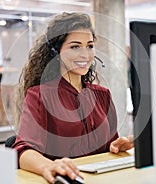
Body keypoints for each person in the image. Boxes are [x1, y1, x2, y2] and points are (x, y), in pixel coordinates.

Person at [11, 12, 134, 184]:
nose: (85, 54)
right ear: (56, 51)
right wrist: (49, 166)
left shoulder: (102, 95)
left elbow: (110, 146)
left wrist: (118, 146)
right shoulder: (39, 95)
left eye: (89, 46)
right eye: (75, 47)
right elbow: (23, 151)